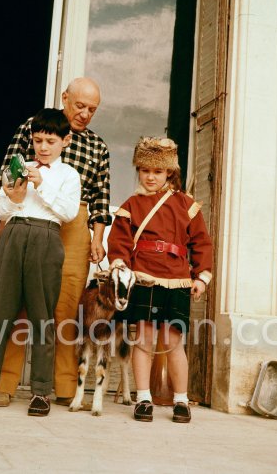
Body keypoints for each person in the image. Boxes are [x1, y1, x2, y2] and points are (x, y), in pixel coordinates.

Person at [0, 77, 111, 407]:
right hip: (29, 215)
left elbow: (101, 199)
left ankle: (62, 386)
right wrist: (5, 219)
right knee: (19, 304)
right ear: (65, 98)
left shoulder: (98, 147)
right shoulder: (36, 128)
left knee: (65, 305)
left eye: (92, 109)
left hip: (74, 225)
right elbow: (7, 172)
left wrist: (97, 239)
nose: (85, 114)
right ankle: (4, 383)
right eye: (80, 106)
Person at [0, 108, 81, 416]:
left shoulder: (69, 175)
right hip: (14, 234)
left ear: (65, 141)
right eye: (38, 140)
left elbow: (68, 213)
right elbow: (0, 210)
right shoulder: (20, 166)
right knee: (0, 313)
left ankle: (41, 392)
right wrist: (12, 197)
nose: (43, 147)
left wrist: (41, 184)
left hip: (46, 236)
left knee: (42, 317)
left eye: (51, 141)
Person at [107, 136, 212, 423]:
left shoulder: (186, 205)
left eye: (157, 171)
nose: (150, 177)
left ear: (169, 172)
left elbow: (202, 243)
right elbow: (119, 241)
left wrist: (201, 277)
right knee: (144, 340)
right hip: (143, 278)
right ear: (138, 171)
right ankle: (143, 398)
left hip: (177, 280)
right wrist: (119, 265)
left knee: (173, 342)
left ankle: (181, 400)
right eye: (145, 170)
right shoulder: (131, 205)